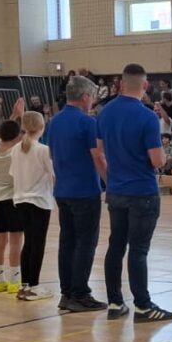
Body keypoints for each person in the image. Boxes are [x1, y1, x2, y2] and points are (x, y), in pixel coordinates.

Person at [97, 63, 172, 323]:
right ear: (145, 85)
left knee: (115, 246)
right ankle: (142, 305)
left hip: (116, 190)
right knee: (139, 250)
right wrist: (164, 156)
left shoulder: (105, 112)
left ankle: (114, 302)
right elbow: (156, 160)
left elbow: (99, 151)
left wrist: (110, 180)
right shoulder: (147, 117)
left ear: (121, 84)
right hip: (142, 191)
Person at [44, 75, 106, 314]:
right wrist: (110, 183)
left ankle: (67, 293)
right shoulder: (88, 122)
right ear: (85, 97)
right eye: (93, 97)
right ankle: (80, 293)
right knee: (85, 243)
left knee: (67, 242)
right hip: (84, 191)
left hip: (62, 190)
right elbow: (97, 156)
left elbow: (52, 154)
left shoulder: (55, 121)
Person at [11, 110, 55, 301]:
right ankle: (34, 286)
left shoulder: (16, 149)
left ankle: (25, 285)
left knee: (29, 243)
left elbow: (14, 173)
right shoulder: (43, 150)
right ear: (41, 127)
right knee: (37, 244)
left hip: (20, 200)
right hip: (39, 201)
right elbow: (53, 175)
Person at [0, 112, 24, 295]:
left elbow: (4, 135)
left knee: (0, 241)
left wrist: (14, 115)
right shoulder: (15, 153)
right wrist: (20, 115)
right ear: (17, 135)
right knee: (16, 242)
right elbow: (26, 140)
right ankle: (15, 281)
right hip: (14, 200)